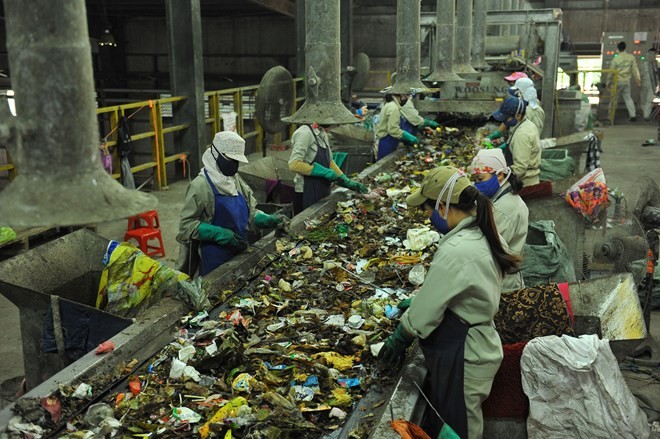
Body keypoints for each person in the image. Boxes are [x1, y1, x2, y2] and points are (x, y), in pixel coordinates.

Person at [379, 166, 520, 439]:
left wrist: (400, 336)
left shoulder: (457, 250)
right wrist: (421, 298)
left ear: (443, 206)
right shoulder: (482, 234)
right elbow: (455, 292)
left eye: (427, 209)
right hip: (474, 346)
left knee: (460, 433)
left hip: (464, 357)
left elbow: (424, 316)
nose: (426, 216)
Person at [176, 131, 284, 277]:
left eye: (236, 161)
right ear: (216, 154)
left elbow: (250, 212)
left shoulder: (234, 180)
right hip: (215, 261)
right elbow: (186, 226)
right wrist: (217, 233)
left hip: (240, 252)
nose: (234, 165)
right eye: (230, 159)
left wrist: (266, 219)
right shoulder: (200, 186)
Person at [470, 149, 528, 291]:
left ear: (500, 175)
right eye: (475, 180)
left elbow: (486, 248)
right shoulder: (501, 197)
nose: (476, 185)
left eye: (480, 179)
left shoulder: (503, 209)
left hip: (502, 283)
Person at [288, 123, 368, 214]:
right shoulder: (305, 134)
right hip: (306, 191)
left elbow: (329, 161)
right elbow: (294, 164)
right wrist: (324, 172)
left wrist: (346, 181)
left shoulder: (322, 132)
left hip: (323, 188)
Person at [492, 97, 541, 187]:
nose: (504, 121)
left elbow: (519, 168)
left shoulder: (522, 134)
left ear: (518, 115)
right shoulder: (524, 124)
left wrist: (495, 178)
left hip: (524, 183)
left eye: (506, 118)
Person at [374, 88, 418, 160]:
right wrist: (408, 136)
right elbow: (393, 130)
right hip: (386, 143)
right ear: (401, 96)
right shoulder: (393, 108)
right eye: (406, 96)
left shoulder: (390, 105)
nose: (406, 98)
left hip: (387, 141)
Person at [607, 41, 641, 122]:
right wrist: (638, 80)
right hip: (626, 81)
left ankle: (610, 116)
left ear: (617, 49)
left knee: (614, 99)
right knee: (628, 98)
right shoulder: (631, 57)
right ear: (625, 48)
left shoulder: (616, 59)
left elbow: (611, 72)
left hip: (617, 82)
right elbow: (635, 70)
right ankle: (633, 115)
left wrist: (608, 82)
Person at [641, 47, 659, 121]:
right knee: (649, 99)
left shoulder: (644, 63)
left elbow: (641, 74)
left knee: (644, 99)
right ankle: (646, 115)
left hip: (645, 83)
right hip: (652, 84)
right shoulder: (657, 64)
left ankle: (644, 112)